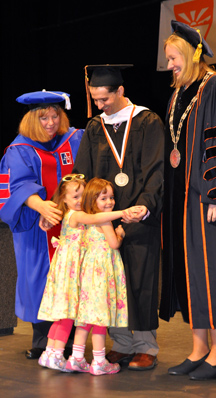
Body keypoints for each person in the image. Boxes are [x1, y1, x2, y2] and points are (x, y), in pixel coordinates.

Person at [159, 20, 216, 380]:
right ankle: (198, 349)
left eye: (173, 58)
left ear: (191, 54)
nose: (169, 66)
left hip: (212, 200)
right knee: (191, 274)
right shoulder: (179, 94)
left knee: (214, 273)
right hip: (184, 204)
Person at [73, 64, 164, 370]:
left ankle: (145, 346)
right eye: (95, 100)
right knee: (109, 281)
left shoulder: (147, 121)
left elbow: (155, 170)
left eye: (104, 99)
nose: (100, 106)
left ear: (120, 91)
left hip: (138, 216)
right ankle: (122, 344)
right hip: (104, 219)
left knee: (140, 279)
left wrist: (146, 205)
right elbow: (83, 172)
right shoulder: (95, 127)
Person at [0, 90, 84, 359]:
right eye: (44, 117)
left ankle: (69, 339)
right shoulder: (18, 149)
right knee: (39, 280)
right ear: (31, 120)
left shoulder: (75, 139)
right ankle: (41, 340)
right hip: (36, 230)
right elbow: (15, 186)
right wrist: (40, 205)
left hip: (74, 227)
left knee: (72, 278)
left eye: (55, 116)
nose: (50, 123)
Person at [38, 175, 137, 373]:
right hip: (72, 271)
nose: (80, 200)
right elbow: (98, 222)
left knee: (68, 316)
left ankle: (53, 353)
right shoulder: (77, 215)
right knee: (68, 316)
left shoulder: (76, 215)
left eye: (83, 195)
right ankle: (58, 355)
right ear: (63, 199)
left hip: (77, 270)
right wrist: (122, 218)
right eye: (75, 196)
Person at [66, 177, 128, 375]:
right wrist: (120, 234)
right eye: (104, 198)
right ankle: (99, 361)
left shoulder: (87, 220)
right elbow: (113, 244)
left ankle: (76, 358)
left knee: (86, 317)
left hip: (89, 273)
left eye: (111, 197)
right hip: (102, 275)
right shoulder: (105, 220)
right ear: (92, 200)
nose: (109, 202)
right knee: (101, 317)